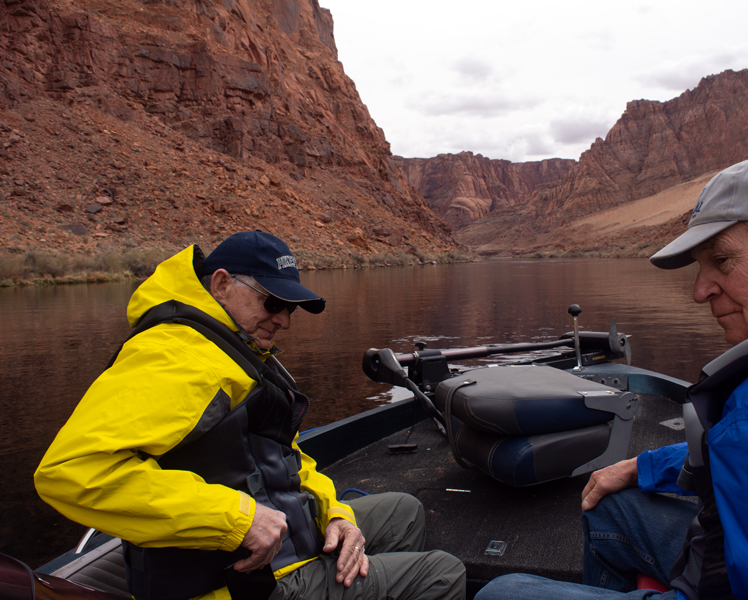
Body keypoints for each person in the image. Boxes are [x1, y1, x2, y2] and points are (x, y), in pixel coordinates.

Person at [474, 155, 748, 600]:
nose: (700, 291)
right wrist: (645, 466)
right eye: (701, 266)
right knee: (612, 507)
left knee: (500, 594)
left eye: (722, 259)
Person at [34, 230, 465, 600]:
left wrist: (336, 513)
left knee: (404, 511)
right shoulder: (174, 357)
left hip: (281, 531)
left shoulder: (233, 350)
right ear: (222, 284)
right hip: (239, 581)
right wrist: (237, 519)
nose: (284, 320)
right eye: (272, 302)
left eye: (290, 308)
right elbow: (71, 471)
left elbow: (286, 457)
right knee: (443, 574)